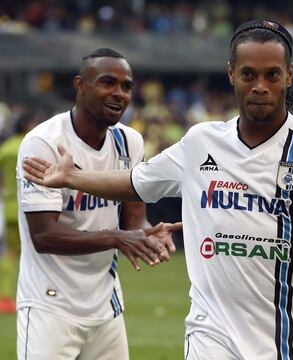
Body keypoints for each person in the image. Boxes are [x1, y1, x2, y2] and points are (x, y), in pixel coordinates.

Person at [23, 21, 293, 360]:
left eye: (272, 75)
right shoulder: (201, 142)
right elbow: (135, 182)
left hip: (289, 336)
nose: (260, 86)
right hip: (211, 332)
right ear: (231, 73)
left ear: (289, 76)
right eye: (249, 74)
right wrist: (73, 178)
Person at [16, 48, 180, 359]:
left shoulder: (129, 141)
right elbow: (44, 237)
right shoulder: (44, 143)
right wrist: (117, 238)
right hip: (50, 304)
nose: (119, 94)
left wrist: (148, 235)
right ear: (80, 84)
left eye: (127, 86)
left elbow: (134, 219)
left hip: (106, 305)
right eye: (108, 83)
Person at [0, 113, 39, 313]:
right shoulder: (33, 145)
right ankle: (34, 295)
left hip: (9, 207)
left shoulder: (5, 149)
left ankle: (4, 297)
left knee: (9, 253)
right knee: (36, 253)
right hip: (34, 206)